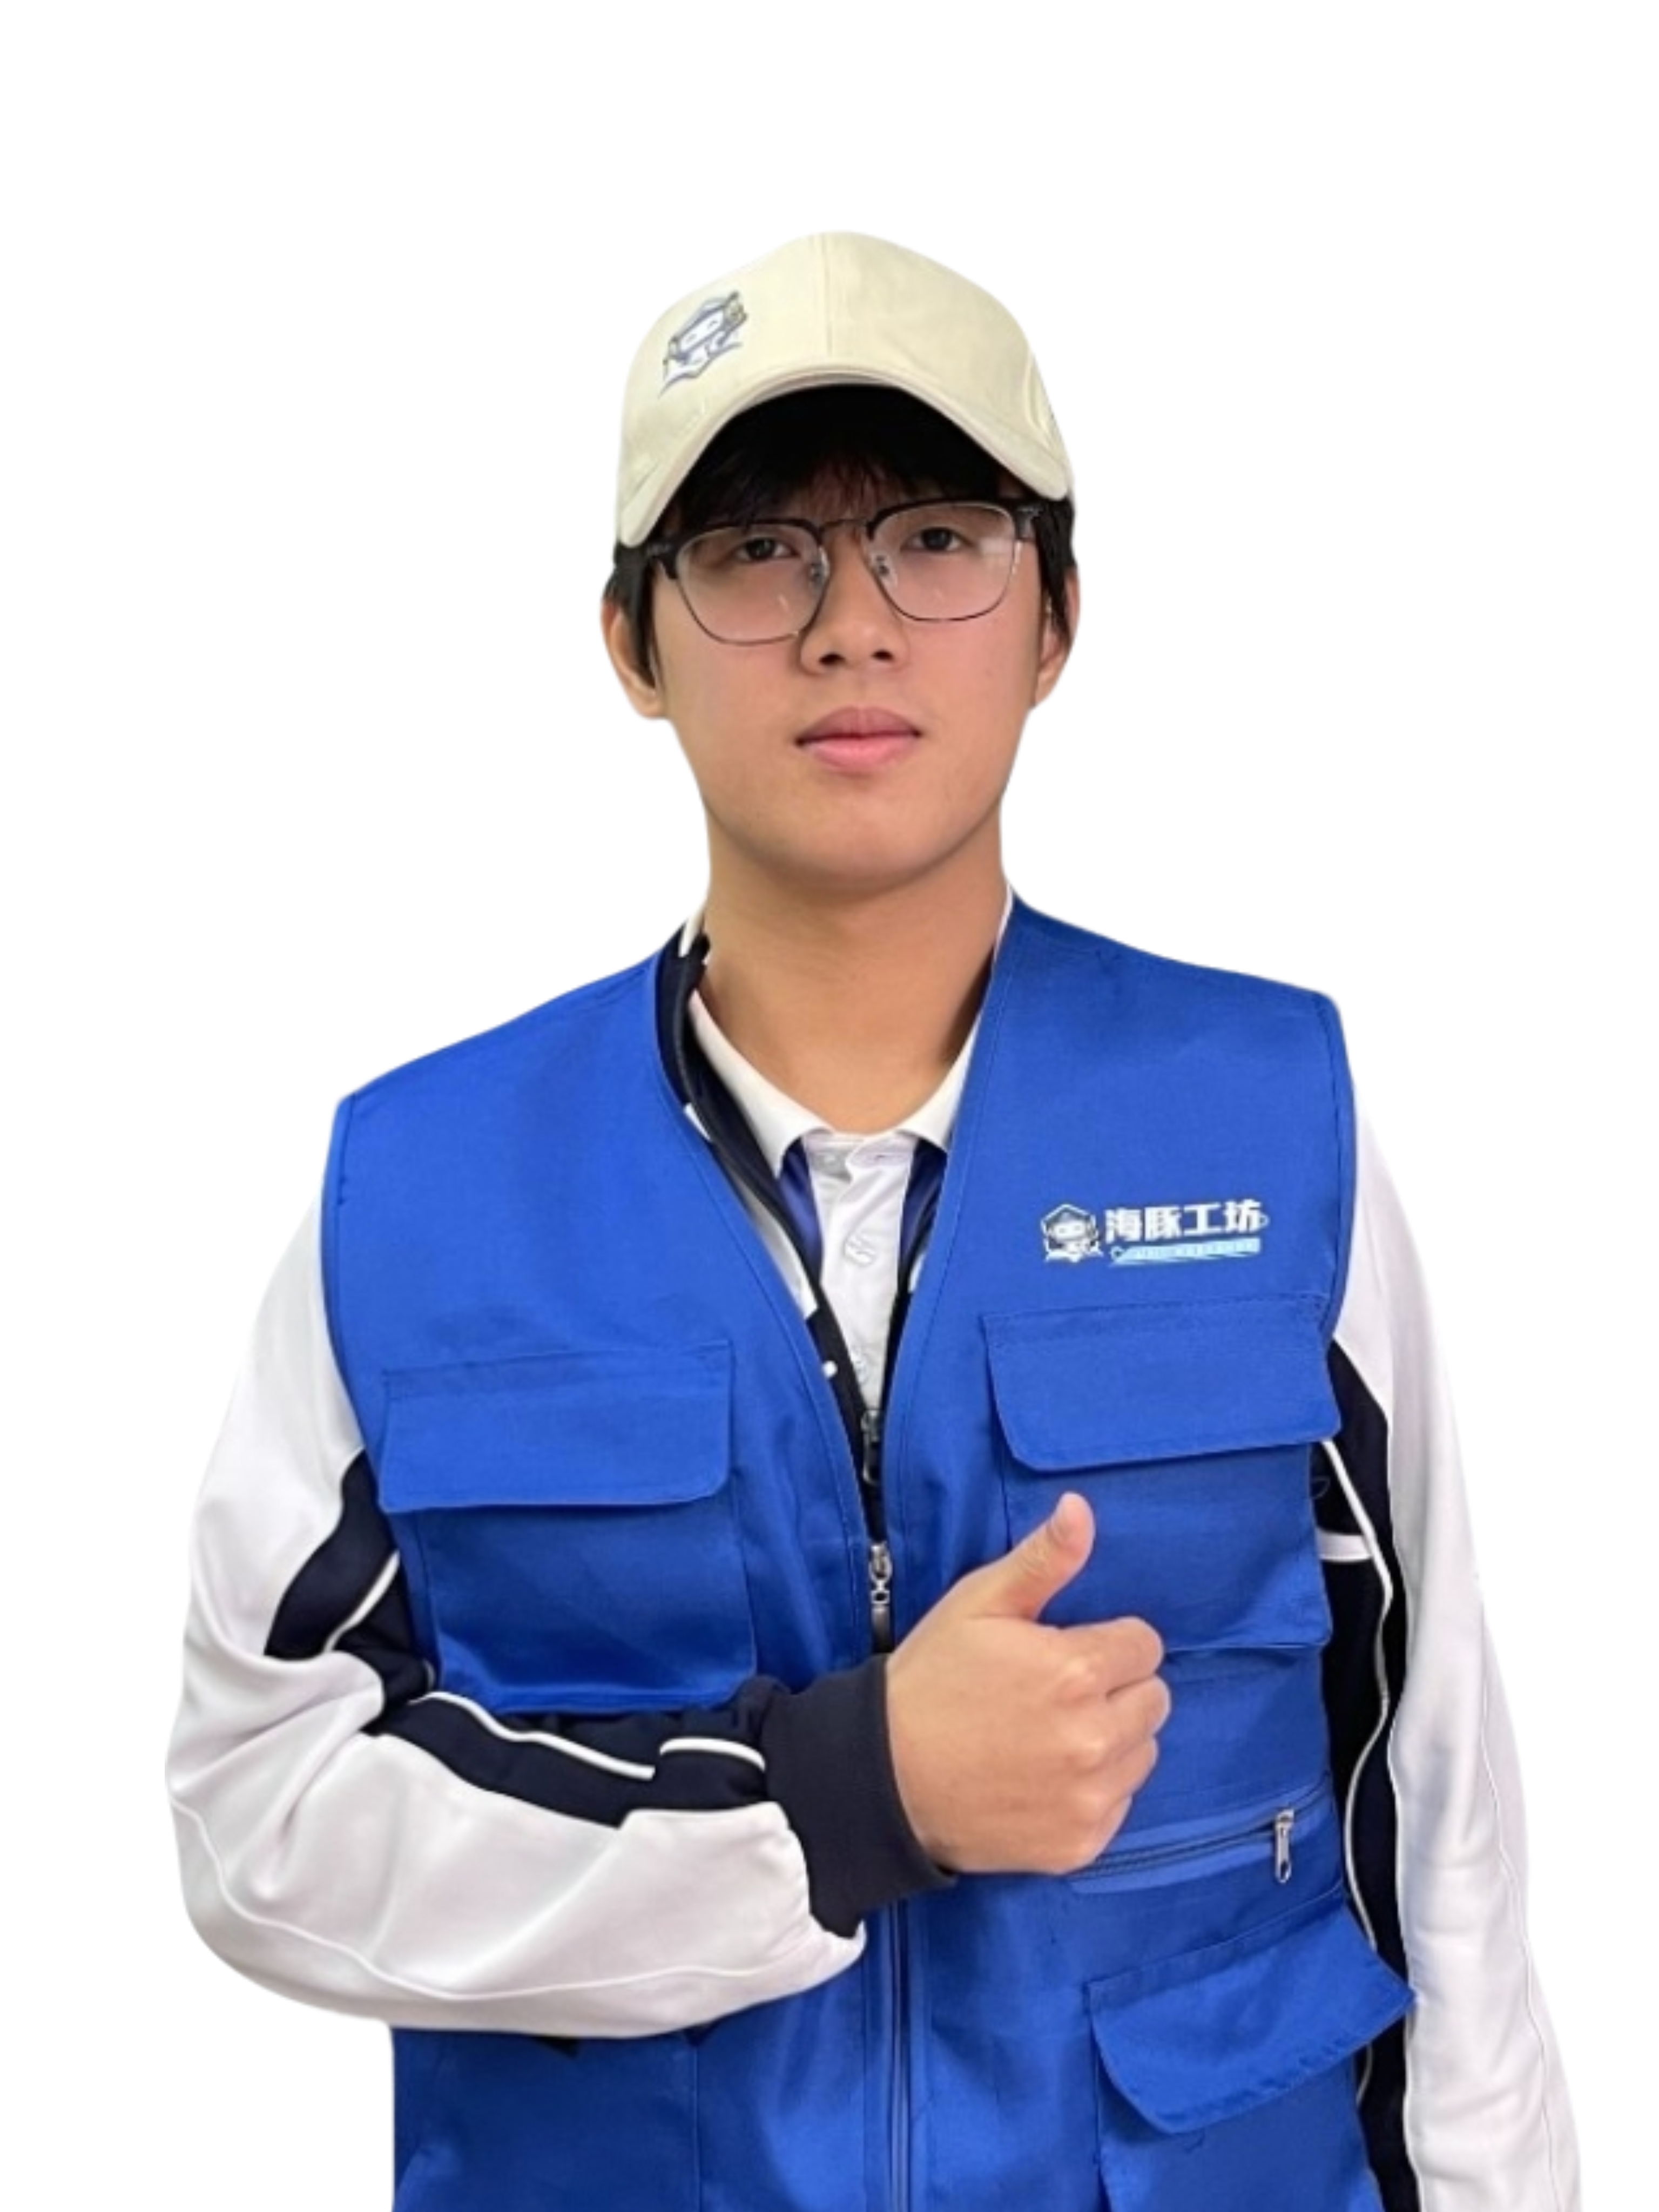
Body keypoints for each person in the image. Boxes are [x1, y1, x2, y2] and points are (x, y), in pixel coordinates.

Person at [167, 233, 1579, 2211]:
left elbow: (1439, 1817)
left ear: (1058, 616)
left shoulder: (1272, 1130)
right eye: (759, 553)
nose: (852, 628)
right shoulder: (418, 1201)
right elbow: (260, 1817)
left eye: (935, 540)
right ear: (631, 643)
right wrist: (844, 1800)